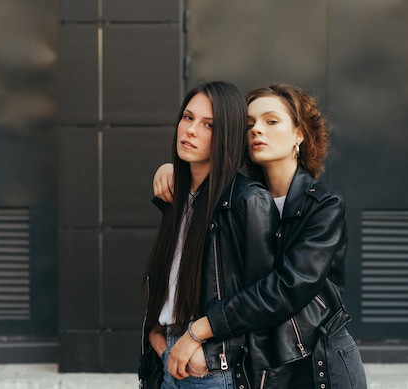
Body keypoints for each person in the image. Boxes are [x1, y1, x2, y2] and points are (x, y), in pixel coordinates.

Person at [153, 84, 367, 388]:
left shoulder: (323, 205)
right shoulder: (243, 199)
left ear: (299, 134)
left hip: (319, 359)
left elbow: (285, 287)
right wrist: (173, 170)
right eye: (249, 124)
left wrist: (201, 330)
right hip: (266, 357)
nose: (256, 131)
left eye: (271, 121)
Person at [140, 81, 280, 389]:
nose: (190, 130)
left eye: (208, 125)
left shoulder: (248, 201)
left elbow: (265, 297)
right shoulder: (178, 195)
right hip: (170, 355)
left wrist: (211, 351)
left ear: (227, 136)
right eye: (188, 117)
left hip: (210, 368)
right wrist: (157, 333)